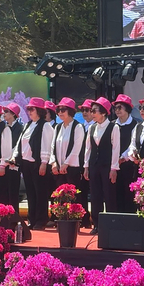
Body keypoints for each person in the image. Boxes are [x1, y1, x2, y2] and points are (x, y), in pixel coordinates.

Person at [10, 97, 54, 230]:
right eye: (28, 109)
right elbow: (20, 143)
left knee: (40, 193)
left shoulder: (45, 126)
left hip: (38, 163)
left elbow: (47, 145)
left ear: (39, 110)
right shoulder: (27, 125)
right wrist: (14, 156)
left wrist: (44, 163)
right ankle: (32, 219)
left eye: (32, 109)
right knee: (30, 193)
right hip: (26, 163)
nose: (29, 111)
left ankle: (41, 220)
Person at [50, 97, 90, 226]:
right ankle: (62, 220)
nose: (60, 113)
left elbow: (76, 148)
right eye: (58, 110)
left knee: (74, 195)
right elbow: (52, 146)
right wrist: (54, 163)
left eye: (63, 110)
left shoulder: (78, 127)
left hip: (72, 167)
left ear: (71, 111)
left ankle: (77, 221)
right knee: (60, 196)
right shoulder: (58, 127)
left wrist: (66, 163)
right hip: (59, 168)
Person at [83, 97, 120, 234]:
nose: (92, 113)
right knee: (95, 195)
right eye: (91, 111)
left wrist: (114, 168)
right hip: (94, 165)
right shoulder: (92, 128)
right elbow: (88, 148)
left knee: (109, 195)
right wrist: (86, 166)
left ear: (104, 112)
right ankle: (97, 224)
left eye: (94, 111)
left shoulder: (113, 127)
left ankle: (111, 225)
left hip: (107, 166)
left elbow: (116, 149)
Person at [112, 94, 139, 213]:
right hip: (114, 165)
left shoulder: (135, 125)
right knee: (116, 193)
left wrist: (123, 157)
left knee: (129, 193)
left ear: (127, 108)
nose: (117, 110)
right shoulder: (112, 124)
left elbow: (133, 144)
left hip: (128, 164)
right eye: (115, 108)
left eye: (120, 107)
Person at [2, 103, 23, 213]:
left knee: (13, 191)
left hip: (13, 163)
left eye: (6, 112)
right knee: (4, 191)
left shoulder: (20, 128)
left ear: (13, 114)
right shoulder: (3, 126)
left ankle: (14, 216)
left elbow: (18, 145)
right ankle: (4, 215)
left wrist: (12, 157)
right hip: (3, 163)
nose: (4, 114)